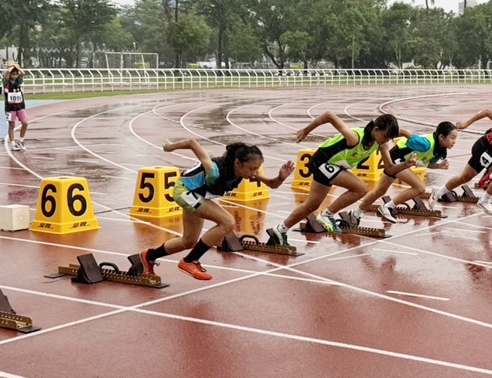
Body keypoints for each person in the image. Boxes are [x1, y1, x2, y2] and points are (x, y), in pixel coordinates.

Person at [140, 140, 295, 281]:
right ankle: (189, 261)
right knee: (227, 222)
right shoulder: (215, 169)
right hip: (184, 192)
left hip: (198, 195)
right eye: (251, 169)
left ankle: (149, 256)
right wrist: (170, 147)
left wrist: (281, 177)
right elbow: (192, 143)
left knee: (188, 241)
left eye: (256, 168)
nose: (254, 173)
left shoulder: (248, 171)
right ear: (238, 163)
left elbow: (272, 184)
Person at [272, 113, 411, 241]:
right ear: (376, 130)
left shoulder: (381, 143)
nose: (387, 141)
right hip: (322, 161)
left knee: (312, 205)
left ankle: (280, 230)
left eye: (390, 138)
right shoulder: (355, 137)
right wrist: (306, 131)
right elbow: (329, 116)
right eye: (386, 136)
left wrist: (406, 164)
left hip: (332, 167)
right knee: (361, 188)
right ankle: (327, 215)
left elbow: (390, 168)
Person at [353, 121, 459, 223]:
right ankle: (387, 207)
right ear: (441, 137)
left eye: (456, 138)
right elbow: (403, 131)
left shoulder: (439, 151)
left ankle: (355, 214)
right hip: (396, 158)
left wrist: (438, 166)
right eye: (452, 138)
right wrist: (383, 138)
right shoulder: (425, 144)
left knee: (380, 191)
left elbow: (427, 163)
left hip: (402, 162)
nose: (454, 141)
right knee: (419, 188)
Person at [3, 63, 29, 150]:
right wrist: (11, 68)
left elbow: (23, 73)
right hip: (10, 107)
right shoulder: (6, 81)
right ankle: (13, 143)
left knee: (25, 123)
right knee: (12, 125)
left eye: (16, 74)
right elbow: (7, 74)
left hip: (20, 106)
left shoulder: (19, 81)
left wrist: (16, 67)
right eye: (12, 74)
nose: (14, 76)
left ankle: (21, 140)